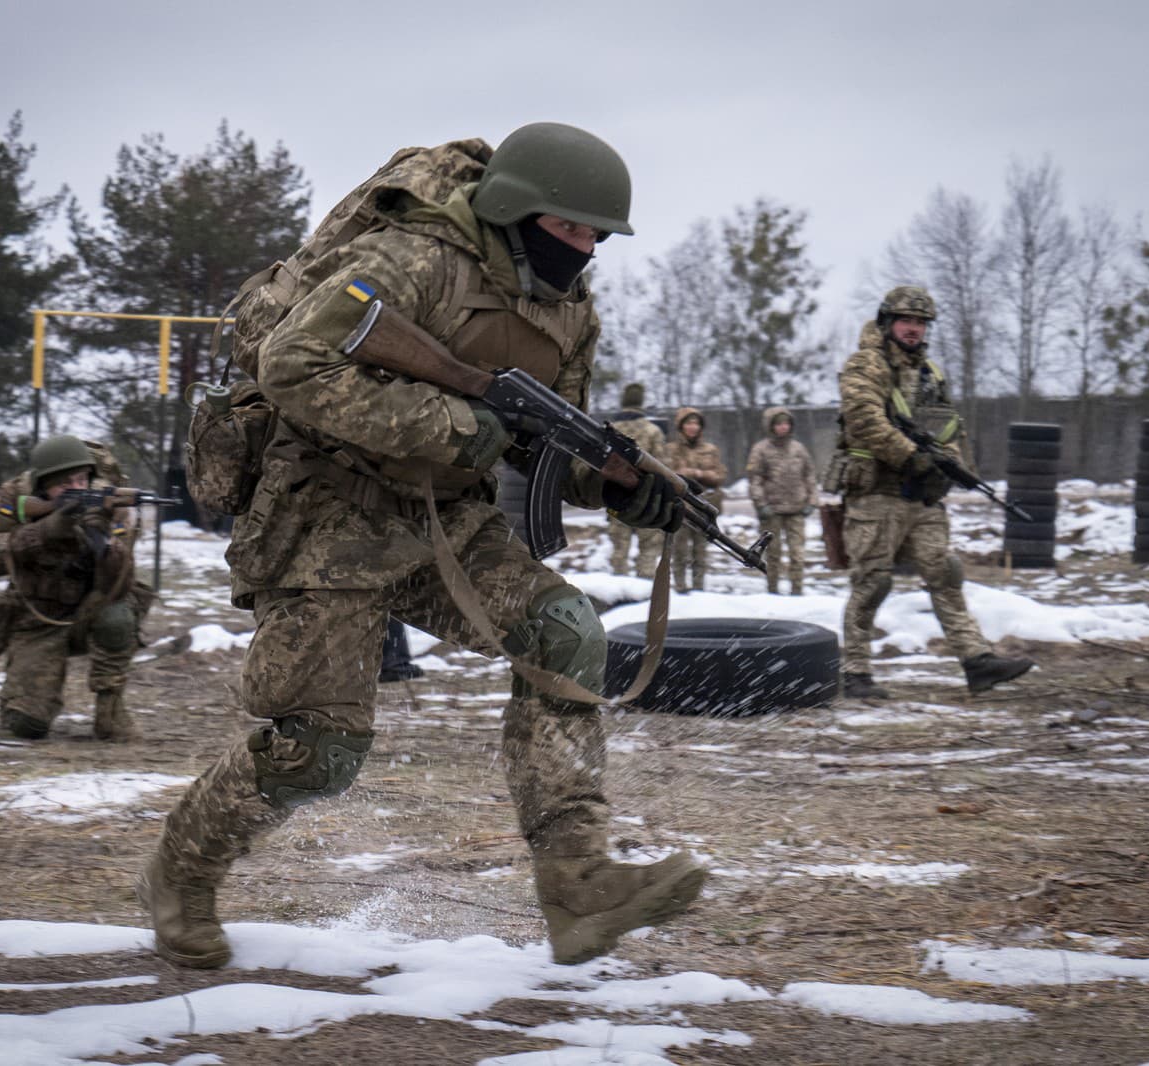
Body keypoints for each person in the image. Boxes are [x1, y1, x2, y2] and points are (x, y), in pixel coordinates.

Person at [139, 122, 703, 971]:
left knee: (565, 633)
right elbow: (295, 363)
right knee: (320, 751)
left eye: (597, 236)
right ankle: (182, 874)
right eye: (572, 229)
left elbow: (543, 443)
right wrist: (455, 424)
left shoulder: (568, 310)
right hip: (324, 515)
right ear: (519, 211)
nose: (586, 250)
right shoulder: (415, 261)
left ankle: (579, 886)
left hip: (445, 521)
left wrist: (624, 485)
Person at [834, 286, 1035, 700]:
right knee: (872, 583)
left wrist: (956, 470)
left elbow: (947, 427)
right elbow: (864, 421)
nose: (914, 329)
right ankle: (854, 670)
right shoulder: (865, 365)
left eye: (921, 323)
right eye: (907, 321)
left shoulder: (931, 374)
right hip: (876, 494)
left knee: (945, 574)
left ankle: (977, 661)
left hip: (921, 498)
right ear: (888, 322)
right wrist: (913, 457)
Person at [0, 434, 154, 741]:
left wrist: (104, 542)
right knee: (26, 726)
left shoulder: (109, 502)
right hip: (36, 618)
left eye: (81, 480)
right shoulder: (17, 497)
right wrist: (44, 530)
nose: (76, 489)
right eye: (64, 484)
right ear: (43, 485)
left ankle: (110, 709)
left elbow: (121, 584)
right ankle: (22, 699)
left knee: (118, 616)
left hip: (89, 612)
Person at [745, 408, 818, 595]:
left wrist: (812, 500)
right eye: (778, 423)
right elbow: (755, 479)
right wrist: (761, 504)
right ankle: (772, 591)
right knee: (773, 555)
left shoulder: (798, 449)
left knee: (797, 555)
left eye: (786, 423)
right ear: (770, 426)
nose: (783, 427)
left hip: (797, 509)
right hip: (772, 511)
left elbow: (809, 475)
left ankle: (797, 591)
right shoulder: (760, 450)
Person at [605, 383, 667, 578]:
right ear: (641, 402)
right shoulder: (653, 431)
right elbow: (662, 467)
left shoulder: (610, 430)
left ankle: (618, 593)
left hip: (615, 496)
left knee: (619, 550)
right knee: (649, 549)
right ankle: (644, 593)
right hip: (646, 499)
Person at [664, 407, 728, 592]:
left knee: (701, 552)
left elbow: (719, 476)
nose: (693, 427)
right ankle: (680, 587)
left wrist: (698, 473)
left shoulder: (710, 450)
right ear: (681, 426)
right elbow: (667, 475)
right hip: (680, 510)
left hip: (704, 507)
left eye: (696, 423)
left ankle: (699, 589)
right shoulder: (670, 449)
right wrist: (684, 475)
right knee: (680, 551)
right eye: (688, 423)